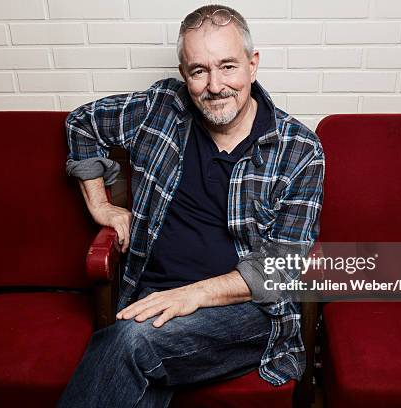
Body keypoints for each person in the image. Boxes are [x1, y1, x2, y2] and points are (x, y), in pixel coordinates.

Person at [57, 4, 324, 407]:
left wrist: (192, 295)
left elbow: (281, 265)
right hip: (150, 295)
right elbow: (82, 122)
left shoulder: (299, 149)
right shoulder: (160, 109)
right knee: (136, 356)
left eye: (228, 66)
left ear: (253, 65)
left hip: (246, 314)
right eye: (199, 71)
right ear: (185, 75)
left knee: (130, 341)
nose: (215, 85)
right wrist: (102, 205)